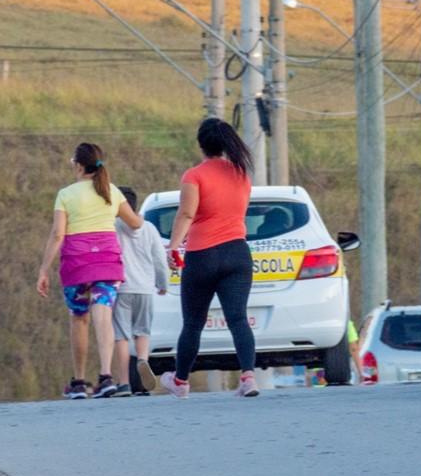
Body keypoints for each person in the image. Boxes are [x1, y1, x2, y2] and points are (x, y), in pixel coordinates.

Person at [159, 118, 257, 399]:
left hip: (202, 255)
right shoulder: (241, 175)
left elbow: (187, 214)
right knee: (238, 318)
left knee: (193, 323)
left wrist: (173, 247)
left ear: (201, 144)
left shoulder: (194, 175)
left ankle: (180, 381)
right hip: (238, 253)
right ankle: (248, 377)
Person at [37, 143, 144, 400]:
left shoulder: (65, 194)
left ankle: (79, 381)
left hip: (76, 264)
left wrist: (43, 269)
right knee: (103, 315)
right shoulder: (113, 192)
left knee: (79, 318)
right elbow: (135, 223)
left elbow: (58, 234)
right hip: (107, 262)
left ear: (78, 165)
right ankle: (106, 377)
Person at [110, 186, 169, 397]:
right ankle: (143, 363)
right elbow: (160, 261)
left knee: (122, 337)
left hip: (122, 289)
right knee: (142, 332)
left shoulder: (114, 226)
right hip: (145, 289)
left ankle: (124, 383)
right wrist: (163, 284)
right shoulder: (150, 228)